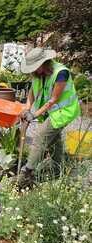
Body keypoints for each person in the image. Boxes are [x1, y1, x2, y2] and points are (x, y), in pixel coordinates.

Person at [18, 47, 80, 188]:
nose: (32, 71)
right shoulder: (38, 75)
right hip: (51, 111)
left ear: (43, 63)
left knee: (40, 136)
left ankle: (27, 173)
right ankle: (58, 170)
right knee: (53, 141)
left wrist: (33, 115)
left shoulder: (61, 73)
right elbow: (31, 93)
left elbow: (53, 100)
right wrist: (27, 109)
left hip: (64, 111)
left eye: (34, 67)